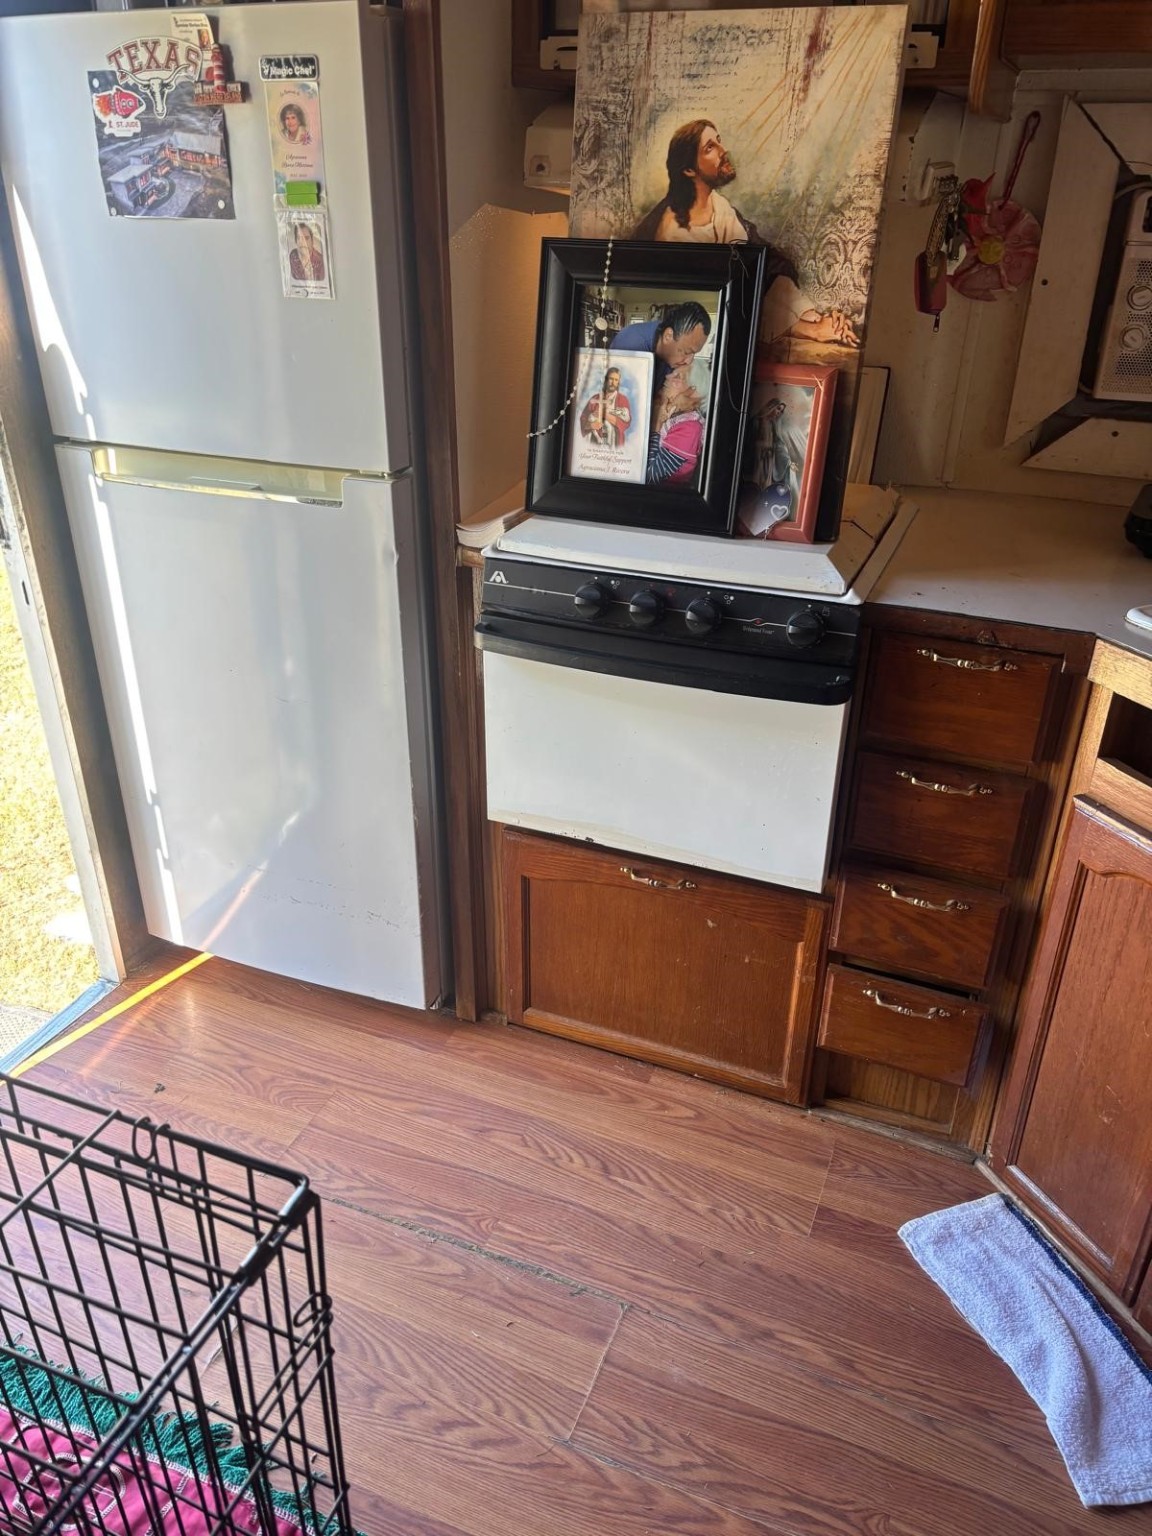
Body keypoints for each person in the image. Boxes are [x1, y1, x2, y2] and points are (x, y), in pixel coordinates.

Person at [632, 119, 857, 348]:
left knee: (774, 282)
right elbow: (713, 301)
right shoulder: (671, 232)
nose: (723, 150)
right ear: (689, 170)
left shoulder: (719, 207)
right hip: (707, 316)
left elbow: (762, 264)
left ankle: (822, 326)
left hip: (741, 299)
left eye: (718, 141)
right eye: (710, 148)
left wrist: (811, 314)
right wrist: (806, 326)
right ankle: (814, 330)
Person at [612, 301, 712, 396]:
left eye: (694, 354)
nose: (689, 361)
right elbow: (627, 401)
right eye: (686, 352)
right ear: (668, 336)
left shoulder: (671, 351)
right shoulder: (631, 344)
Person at [646, 365, 705, 487]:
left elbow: (651, 476)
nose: (667, 377)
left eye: (678, 377)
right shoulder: (668, 413)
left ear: (693, 392)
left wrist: (656, 423)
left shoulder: (690, 428)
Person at [579, 367, 632, 448]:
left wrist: (603, 414)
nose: (613, 382)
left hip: (614, 443)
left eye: (616, 380)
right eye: (611, 379)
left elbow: (625, 423)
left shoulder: (623, 400)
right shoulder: (596, 398)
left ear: (618, 382)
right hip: (594, 442)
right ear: (606, 380)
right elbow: (583, 419)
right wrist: (591, 425)